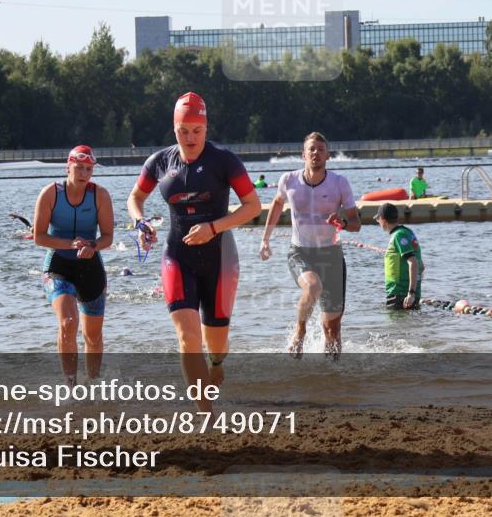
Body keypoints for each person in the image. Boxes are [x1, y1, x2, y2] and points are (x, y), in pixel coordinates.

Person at [127, 92, 261, 411]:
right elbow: (135, 198)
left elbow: (252, 207)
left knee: (216, 344)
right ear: (174, 128)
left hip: (220, 258)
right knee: (188, 337)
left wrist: (213, 227)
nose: (190, 138)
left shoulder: (224, 160)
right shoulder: (159, 162)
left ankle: (215, 364)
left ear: (206, 128)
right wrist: (140, 222)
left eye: (196, 130)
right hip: (177, 257)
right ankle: (205, 415)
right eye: (182, 130)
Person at [259, 132, 360, 359]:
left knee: (332, 330)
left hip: (331, 255)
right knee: (312, 287)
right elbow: (276, 206)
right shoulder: (289, 180)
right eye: (311, 149)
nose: (316, 153)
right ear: (303, 154)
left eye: (320, 150)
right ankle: (300, 331)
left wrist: (343, 222)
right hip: (300, 252)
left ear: (328, 156)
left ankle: (332, 377)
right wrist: (265, 239)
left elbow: (356, 224)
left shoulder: (340, 183)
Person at [33, 145, 114, 384]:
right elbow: (39, 236)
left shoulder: (100, 195)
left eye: (88, 169)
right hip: (59, 264)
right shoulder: (51, 193)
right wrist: (70, 244)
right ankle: (70, 386)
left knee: (93, 336)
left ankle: (93, 386)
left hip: (91, 266)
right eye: (78, 168)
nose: (83, 174)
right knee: (68, 323)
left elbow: (108, 237)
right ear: (67, 167)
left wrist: (93, 246)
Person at [375, 202, 424, 310]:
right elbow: (421, 266)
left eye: (378, 220)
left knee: (395, 326)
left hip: (400, 294)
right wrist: (416, 290)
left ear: (383, 219)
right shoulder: (408, 232)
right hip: (410, 294)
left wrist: (411, 293)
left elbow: (413, 262)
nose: (378, 223)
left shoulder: (398, 235)